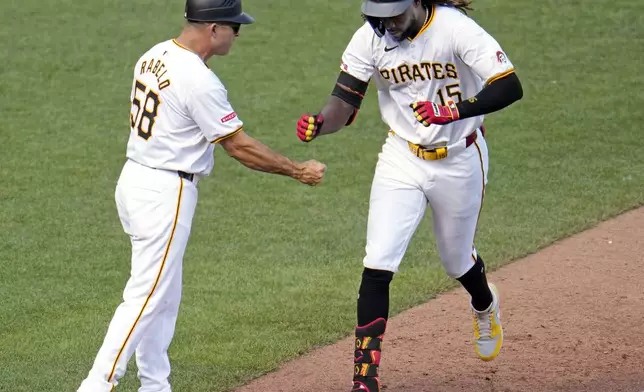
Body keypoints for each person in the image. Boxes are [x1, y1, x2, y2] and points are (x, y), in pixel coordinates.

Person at [76, 0, 326, 390]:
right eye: (234, 27)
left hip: (134, 179)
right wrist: (297, 170)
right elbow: (239, 147)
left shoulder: (154, 53)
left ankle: (156, 384)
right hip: (165, 193)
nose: (238, 34)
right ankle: (96, 385)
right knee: (145, 296)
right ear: (213, 29)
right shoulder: (199, 80)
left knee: (163, 293)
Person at [295, 0, 523, 390]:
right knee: (377, 263)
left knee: (456, 261)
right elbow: (345, 103)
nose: (387, 27)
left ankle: (485, 304)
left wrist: (454, 112)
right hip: (401, 157)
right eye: (378, 19)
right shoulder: (371, 38)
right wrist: (321, 123)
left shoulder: (455, 29)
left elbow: (509, 85)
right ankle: (364, 381)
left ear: (417, 2)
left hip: (460, 157)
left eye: (394, 17)